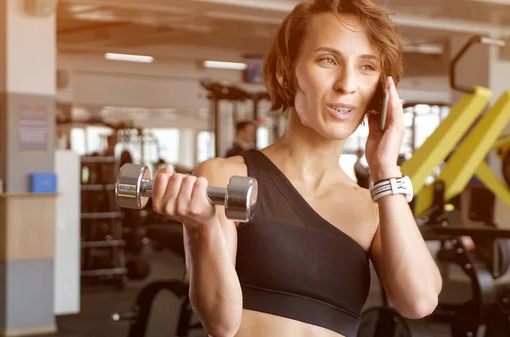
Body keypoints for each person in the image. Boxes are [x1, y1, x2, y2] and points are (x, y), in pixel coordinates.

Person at [150, 1, 442, 337]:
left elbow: (419, 302)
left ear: (381, 92)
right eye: (328, 60)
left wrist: (385, 168)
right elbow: (220, 321)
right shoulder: (226, 177)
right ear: (285, 72)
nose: (347, 83)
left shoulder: (373, 208)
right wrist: (200, 228)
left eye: (367, 67)